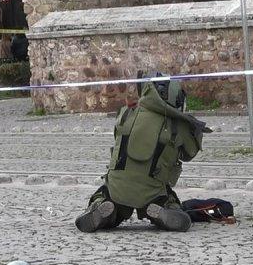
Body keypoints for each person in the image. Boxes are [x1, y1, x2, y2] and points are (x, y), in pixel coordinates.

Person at [75, 75, 209, 233]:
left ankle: (100, 206)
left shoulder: (126, 113)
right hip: (153, 191)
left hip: (117, 188)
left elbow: (117, 138)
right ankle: (166, 209)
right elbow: (188, 155)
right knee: (167, 199)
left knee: (105, 195)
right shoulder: (178, 124)